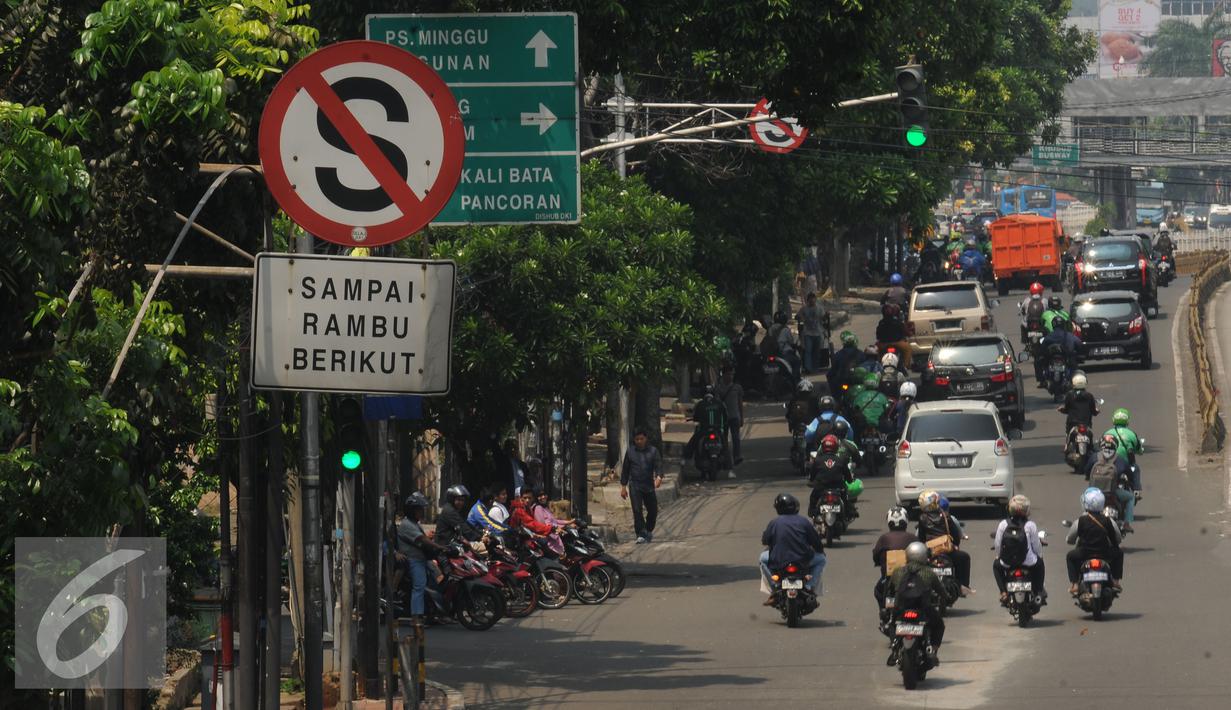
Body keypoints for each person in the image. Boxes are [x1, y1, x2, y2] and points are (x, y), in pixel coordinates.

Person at [886, 541, 947, 666]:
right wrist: (944, 600)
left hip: (901, 609)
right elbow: (942, 592)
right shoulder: (929, 572)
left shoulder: (898, 571)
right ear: (924, 556)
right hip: (923, 609)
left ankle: (894, 648)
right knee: (939, 625)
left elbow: (890, 591)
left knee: (892, 624)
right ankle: (933, 650)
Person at [759, 493, 826, 604]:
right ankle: (809, 586)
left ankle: (775, 587)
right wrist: (820, 551)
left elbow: (765, 541)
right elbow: (816, 542)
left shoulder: (774, 523)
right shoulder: (804, 522)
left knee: (762, 559)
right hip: (803, 561)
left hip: (779, 561)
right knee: (821, 559)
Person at [395, 492, 446, 619]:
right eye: (419, 509)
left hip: (423, 559)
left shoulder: (415, 524)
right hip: (413, 560)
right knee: (419, 587)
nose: (422, 512)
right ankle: (416, 617)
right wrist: (439, 547)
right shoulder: (407, 524)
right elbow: (422, 540)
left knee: (438, 578)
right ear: (412, 510)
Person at [1065, 487, 1124, 596]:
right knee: (1119, 553)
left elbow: (1070, 539)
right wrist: (1115, 546)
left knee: (1070, 556)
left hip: (1084, 553)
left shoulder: (1080, 521)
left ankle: (1075, 585)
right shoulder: (1107, 520)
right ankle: (1116, 582)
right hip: (1104, 553)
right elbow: (1115, 539)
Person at [916, 490, 973, 595]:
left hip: (930, 553)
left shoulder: (922, 518)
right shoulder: (946, 516)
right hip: (946, 551)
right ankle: (963, 586)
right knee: (965, 558)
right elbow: (955, 536)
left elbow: (921, 538)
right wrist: (954, 545)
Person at [992, 495, 1046, 604]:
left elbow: (997, 544)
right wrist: (1040, 555)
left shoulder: (1003, 524)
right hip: (1028, 561)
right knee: (1040, 564)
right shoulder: (1030, 525)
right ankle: (1038, 591)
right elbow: (1036, 545)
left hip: (1007, 562)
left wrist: (998, 555)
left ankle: (1003, 592)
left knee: (996, 566)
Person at [620, 427, 664, 544]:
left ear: (646, 438)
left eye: (641, 439)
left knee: (653, 511)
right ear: (634, 440)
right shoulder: (630, 452)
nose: (639, 441)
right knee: (637, 510)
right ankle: (640, 533)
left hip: (649, 485)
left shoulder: (653, 451)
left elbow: (659, 466)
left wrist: (659, 477)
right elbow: (625, 470)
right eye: (637, 439)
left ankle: (648, 530)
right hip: (635, 485)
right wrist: (623, 487)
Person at [1085, 434, 1135, 533]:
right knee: (1131, 497)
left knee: (1085, 501)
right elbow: (1129, 473)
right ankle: (1127, 523)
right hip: (1112, 492)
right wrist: (1132, 483)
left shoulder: (1095, 457)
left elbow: (1086, 470)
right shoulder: (1120, 459)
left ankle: (1085, 519)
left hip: (1094, 493)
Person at [872, 507, 919, 609]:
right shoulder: (912, 538)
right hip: (909, 576)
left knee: (878, 591)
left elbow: (875, 555)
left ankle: (883, 611)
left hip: (890, 577)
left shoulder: (884, 538)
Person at [807, 434, 855, 517]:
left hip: (821, 487)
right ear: (836, 447)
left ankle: (812, 512)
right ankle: (848, 512)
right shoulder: (840, 460)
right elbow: (847, 474)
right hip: (838, 487)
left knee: (813, 498)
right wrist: (850, 480)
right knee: (846, 498)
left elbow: (812, 474)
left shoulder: (818, 460)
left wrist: (811, 480)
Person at [1104, 407, 1144, 500]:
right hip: (1126, 465)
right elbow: (1139, 449)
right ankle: (1136, 491)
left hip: (1108, 463)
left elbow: (1100, 447)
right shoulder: (1131, 434)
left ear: (1113, 420)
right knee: (1135, 469)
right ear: (1127, 421)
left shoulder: (1107, 433)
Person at [714, 367, 745, 465]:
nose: (730, 376)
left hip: (734, 416)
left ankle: (737, 456)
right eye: (728, 374)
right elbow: (716, 402)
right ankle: (725, 457)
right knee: (723, 438)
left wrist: (742, 417)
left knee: (736, 438)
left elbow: (740, 403)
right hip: (723, 417)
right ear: (723, 375)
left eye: (732, 374)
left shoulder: (737, 387)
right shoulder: (718, 388)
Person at [796, 291, 827, 373]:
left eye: (813, 300)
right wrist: (800, 318)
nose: (812, 301)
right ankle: (808, 368)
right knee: (808, 351)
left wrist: (826, 316)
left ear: (815, 300)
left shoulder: (819, 308)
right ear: (808, 300)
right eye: (810, 300)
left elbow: (824, 318)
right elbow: (797, 316)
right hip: (807, 333)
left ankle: (815, 367)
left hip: (818, 333)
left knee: (817, 352)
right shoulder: (804, 309)